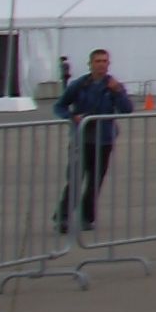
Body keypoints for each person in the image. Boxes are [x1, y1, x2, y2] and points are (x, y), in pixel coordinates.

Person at [50, 49, 131, 235]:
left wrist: (118, 92)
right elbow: (60, 105)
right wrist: (72, 116)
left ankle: (87, 217)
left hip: (104, 140)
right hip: (82, 139)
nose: (101, 64)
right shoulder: (80, 84)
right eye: (97, 61)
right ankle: (62, 216)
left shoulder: (113, 85)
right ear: (90, 64)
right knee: (75, 179)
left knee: (95, 182)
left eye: (104, 61)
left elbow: (127, 109)